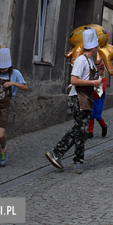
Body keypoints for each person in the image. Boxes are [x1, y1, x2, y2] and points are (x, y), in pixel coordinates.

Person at [46, 28, 101, 173]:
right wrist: (93, 83)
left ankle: (72, 158)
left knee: (81, 130)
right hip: (78, 97)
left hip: (86, 98)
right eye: (97, 47)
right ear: (94, 47)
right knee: (80, 129)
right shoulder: (81, 60)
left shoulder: (90, 62)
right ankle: (61, 154)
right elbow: (74, 80)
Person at [87, 62, 108, 138]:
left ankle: (104, 126)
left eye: (99, 70)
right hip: (92, 98)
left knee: (98, 116)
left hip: (99, 99)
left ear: (102, 71)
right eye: (96, 70)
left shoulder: (104, 80)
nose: (97, 72)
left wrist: (95, 86)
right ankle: (90, 132)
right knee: (91, 115)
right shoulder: (93, 78)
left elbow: (102, 90)